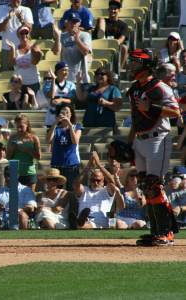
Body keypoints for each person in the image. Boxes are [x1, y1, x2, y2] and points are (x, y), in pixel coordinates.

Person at [127, 49, 180, 246]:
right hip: (140, 140)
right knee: (145, 186)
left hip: (158, 138)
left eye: (135, 63)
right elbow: (135, 119)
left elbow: (176, 112)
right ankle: (156, 231)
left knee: (153, 185)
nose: (131, 66)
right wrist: (129, 142)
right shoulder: (134, 89)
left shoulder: (161, 87)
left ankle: (166, 234)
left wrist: (151, 107)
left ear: (145, 65)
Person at [70, 152, 123, 229]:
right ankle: (78, 223)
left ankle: (77, 224)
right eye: (93, 180)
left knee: (84, 224)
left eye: (98, 180)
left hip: (99, 220)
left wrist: (98, 164)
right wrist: (88, 167)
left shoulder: (106, 191)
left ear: (103, 180)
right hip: (83, 218)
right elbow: (75, 184)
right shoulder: (85, 190)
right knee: (82, 222)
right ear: (89, 180)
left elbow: (112, 182)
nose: (95, 182)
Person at [45, 102, 82, 191]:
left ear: (71, 114)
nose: (65, 114)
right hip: (57, 164)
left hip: (71, 164)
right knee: (56, 190)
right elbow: (48, 139)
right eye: (62, 112)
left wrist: (69, 125)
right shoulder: (56, 128)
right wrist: (55, 123)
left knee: (71, 189)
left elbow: (74, 141)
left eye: (67, 112)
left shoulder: (77, 128)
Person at [52, 13, 92, 86]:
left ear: (79, 23)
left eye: (75, 22)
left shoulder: (85, 35)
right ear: (67, 23)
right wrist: (58, 36)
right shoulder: (62, 36)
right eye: (71, 22)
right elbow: (56, 52)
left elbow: (85, 52)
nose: (73, 24)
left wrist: (76, 38)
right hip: (66, 78)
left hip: (81, 78)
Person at [0, 0, 33, 72]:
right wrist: (8, 17)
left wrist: (21, 19)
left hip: (21, 49)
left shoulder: (26, 10)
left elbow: (30, 29)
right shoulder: (3, 11)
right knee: (6, 75)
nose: (15, 1)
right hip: (7, 48)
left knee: (22, 74)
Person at [6, 114, 41, 191]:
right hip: (15, 173)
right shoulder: (12, 138)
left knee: (30, 197)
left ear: (27, 124)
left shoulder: (34, 138)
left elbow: (38, 157)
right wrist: (11, 149)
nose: (19, 129)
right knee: (15, 197)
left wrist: (28, 150)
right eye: (17, 127)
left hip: (29, 173)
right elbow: (8, 158)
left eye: (21, 127)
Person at [92, 0, 129, 70]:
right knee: (101, 19)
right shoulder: (103, 22)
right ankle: (102, 36)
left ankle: (118, 70)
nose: (113, 10)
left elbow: (122, 38)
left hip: (115, 45)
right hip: (102, 43)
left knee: (124, 48)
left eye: (115, 9)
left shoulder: (123, 25)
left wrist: (114, 43)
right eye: (111, 8)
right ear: (108, 9)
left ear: (119, 11)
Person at [5, 26, 42, 94]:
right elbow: (11, 63)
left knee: (35, 103)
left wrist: (32, 50)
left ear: (29, 35)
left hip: (33, 82)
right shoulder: (14, 49)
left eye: (26, 33)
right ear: (18, 35)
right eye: (21, 33)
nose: (24, 35)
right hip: (19, 84)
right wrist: (13, 48)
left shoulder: (35, 47)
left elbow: (35, 62)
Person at [43, 62, 76, 127]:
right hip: (52, 117)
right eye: (64, 70)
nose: (66, 73)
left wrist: (60, 100)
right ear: (57, 72)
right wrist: (53, 80)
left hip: (66, 117)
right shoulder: (48, 84)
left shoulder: (71, 85)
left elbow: (72, 100)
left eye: (67, 70)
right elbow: (51, 96)